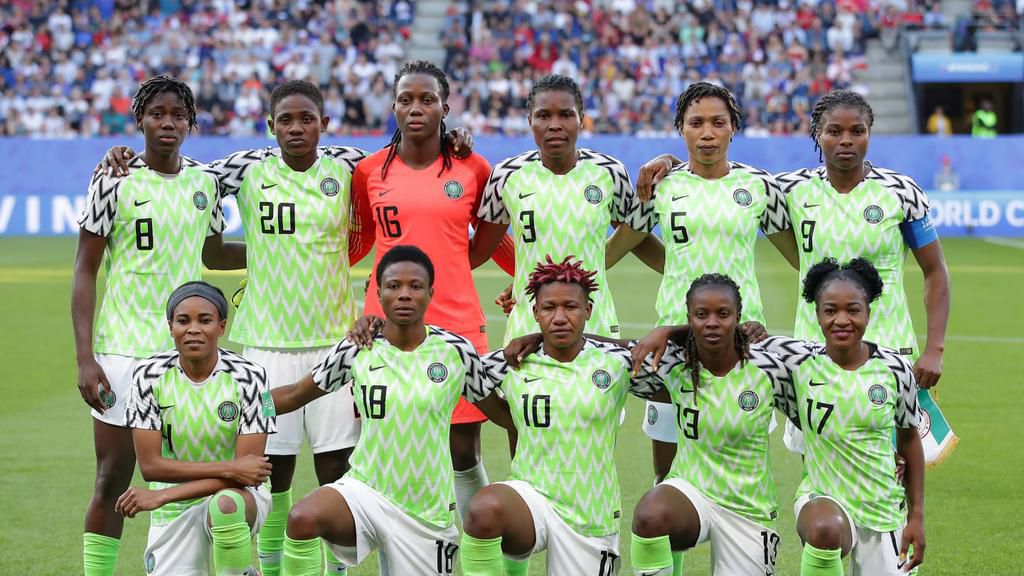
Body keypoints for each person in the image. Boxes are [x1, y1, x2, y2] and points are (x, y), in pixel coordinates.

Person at [96, 80, 473, 576]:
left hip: (337, 344)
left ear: (324, 124)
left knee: (336, 468)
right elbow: (179, 167)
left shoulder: (349, 164)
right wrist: (126, 157)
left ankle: (334, 569)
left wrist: (452, 137)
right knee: (271, 475)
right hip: (264, 348)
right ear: (270, 126)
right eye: (286, 121)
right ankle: (272, 568)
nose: (297, 129)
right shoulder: (245, 168)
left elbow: (404, 151)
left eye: (307, 119)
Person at [267, 245, 512, 575]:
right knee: (303, 518)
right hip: (365, 491)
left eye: (416, 286)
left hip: (426, 513)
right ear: (378, 293)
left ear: (431, 293)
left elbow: (499, 412)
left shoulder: (455, 351)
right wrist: (242, 406)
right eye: (394, 286)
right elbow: (297, 394)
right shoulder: (358, 347)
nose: (405, 294)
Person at [347, 60, 516, 525]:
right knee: (381, 441)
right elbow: (360, 239)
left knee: (464, 451)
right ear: (394, 107)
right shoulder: (367, 170)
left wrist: (522, 278)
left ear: (445, 106)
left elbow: (489, 238)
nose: (415, 108)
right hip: (383, 326)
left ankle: (479, 553)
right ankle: (396, 544)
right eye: (406, 99)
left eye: (426, 99)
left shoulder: (474, 166)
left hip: (457, 319)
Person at [72, 75, 224, 576]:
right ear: (139, 119)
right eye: (157, 113)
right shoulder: (112, 179)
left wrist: (282, 253)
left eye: (177, 115)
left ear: (191, 123)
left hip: (189, 354)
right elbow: (85, 270)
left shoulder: (206, 182)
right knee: (112, 476)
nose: (167, 123)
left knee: (185, 479)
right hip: (122, 354)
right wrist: (85, 357)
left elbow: (213, 252)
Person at [629, 82, 796, 496]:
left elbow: (800, 255)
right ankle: (667, 561)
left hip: (744, 336)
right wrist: (677, 265)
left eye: (718, 123)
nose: (707, 133)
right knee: (666, 477)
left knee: (746, 462)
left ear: (733, 128)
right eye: (696, 123)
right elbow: (622, 242)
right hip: (670, 337)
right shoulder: (662, 185)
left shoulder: (759, 186)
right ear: (680, 129)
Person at [775, 89, 951, 464]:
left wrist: (934, 348)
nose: (846, 141)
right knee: (821, 468)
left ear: (870, 134)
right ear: (817, 134)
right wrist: (671, 161)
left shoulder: (900, 192)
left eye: (857, 131)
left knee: (895, 471)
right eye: (834, 131)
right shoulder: (789, 190)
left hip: (887, 351)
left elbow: (935, 271)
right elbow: (723, 182)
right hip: (814, 351)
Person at [460, 257, 663, 576]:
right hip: (532, 497)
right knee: (485, 509)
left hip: (590, 513)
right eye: (548, 308)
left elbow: (687, 355)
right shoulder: (514, 361)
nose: (559, 317)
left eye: (570, 307)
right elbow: (461, 373)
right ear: (535, 313)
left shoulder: (616, 364)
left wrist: (556, 338)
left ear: (588, 312)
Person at [761, 258, 926, 575]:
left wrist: (917, 516)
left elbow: (909, 441)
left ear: (868, 312)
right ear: (817, 314)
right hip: (823, 495)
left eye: (853, 310)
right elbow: (723, 339)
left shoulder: (895, 369)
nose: (841, 320)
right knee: (824, 531)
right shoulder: (796, 361)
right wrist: (669, 331)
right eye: (830, 310)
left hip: (883, 507)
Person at [627, 274, 797, 576]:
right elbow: (596, 350)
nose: (712, 322)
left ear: (739, 317)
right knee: (650, 515)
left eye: (723, 314)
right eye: (701, 314)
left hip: (748, 509)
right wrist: (537, 339)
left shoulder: (770, 367)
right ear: (689, 317)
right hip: (692, 490)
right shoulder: (673, 362)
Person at [469, 73, 653, 345]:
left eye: (566, 115)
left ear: (581, 118)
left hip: (596, 324)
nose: (555, 125)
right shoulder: (506, 175)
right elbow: (483, 248)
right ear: (529, 119)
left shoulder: (609, 173)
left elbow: (636, 239)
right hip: (527, 327)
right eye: (543, 116)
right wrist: (524, 278)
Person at [118, 281, 275, 576]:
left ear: (221, 327)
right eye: (183, 320)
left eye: (204, 320)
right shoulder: (147, 375)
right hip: (175, 505)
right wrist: (230, 468)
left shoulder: (251, 376)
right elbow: (151, 467)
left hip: (238, 496)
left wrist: (159, 496)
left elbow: (248, 476)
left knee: (225, 506)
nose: (193, 329)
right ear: (170, 326)